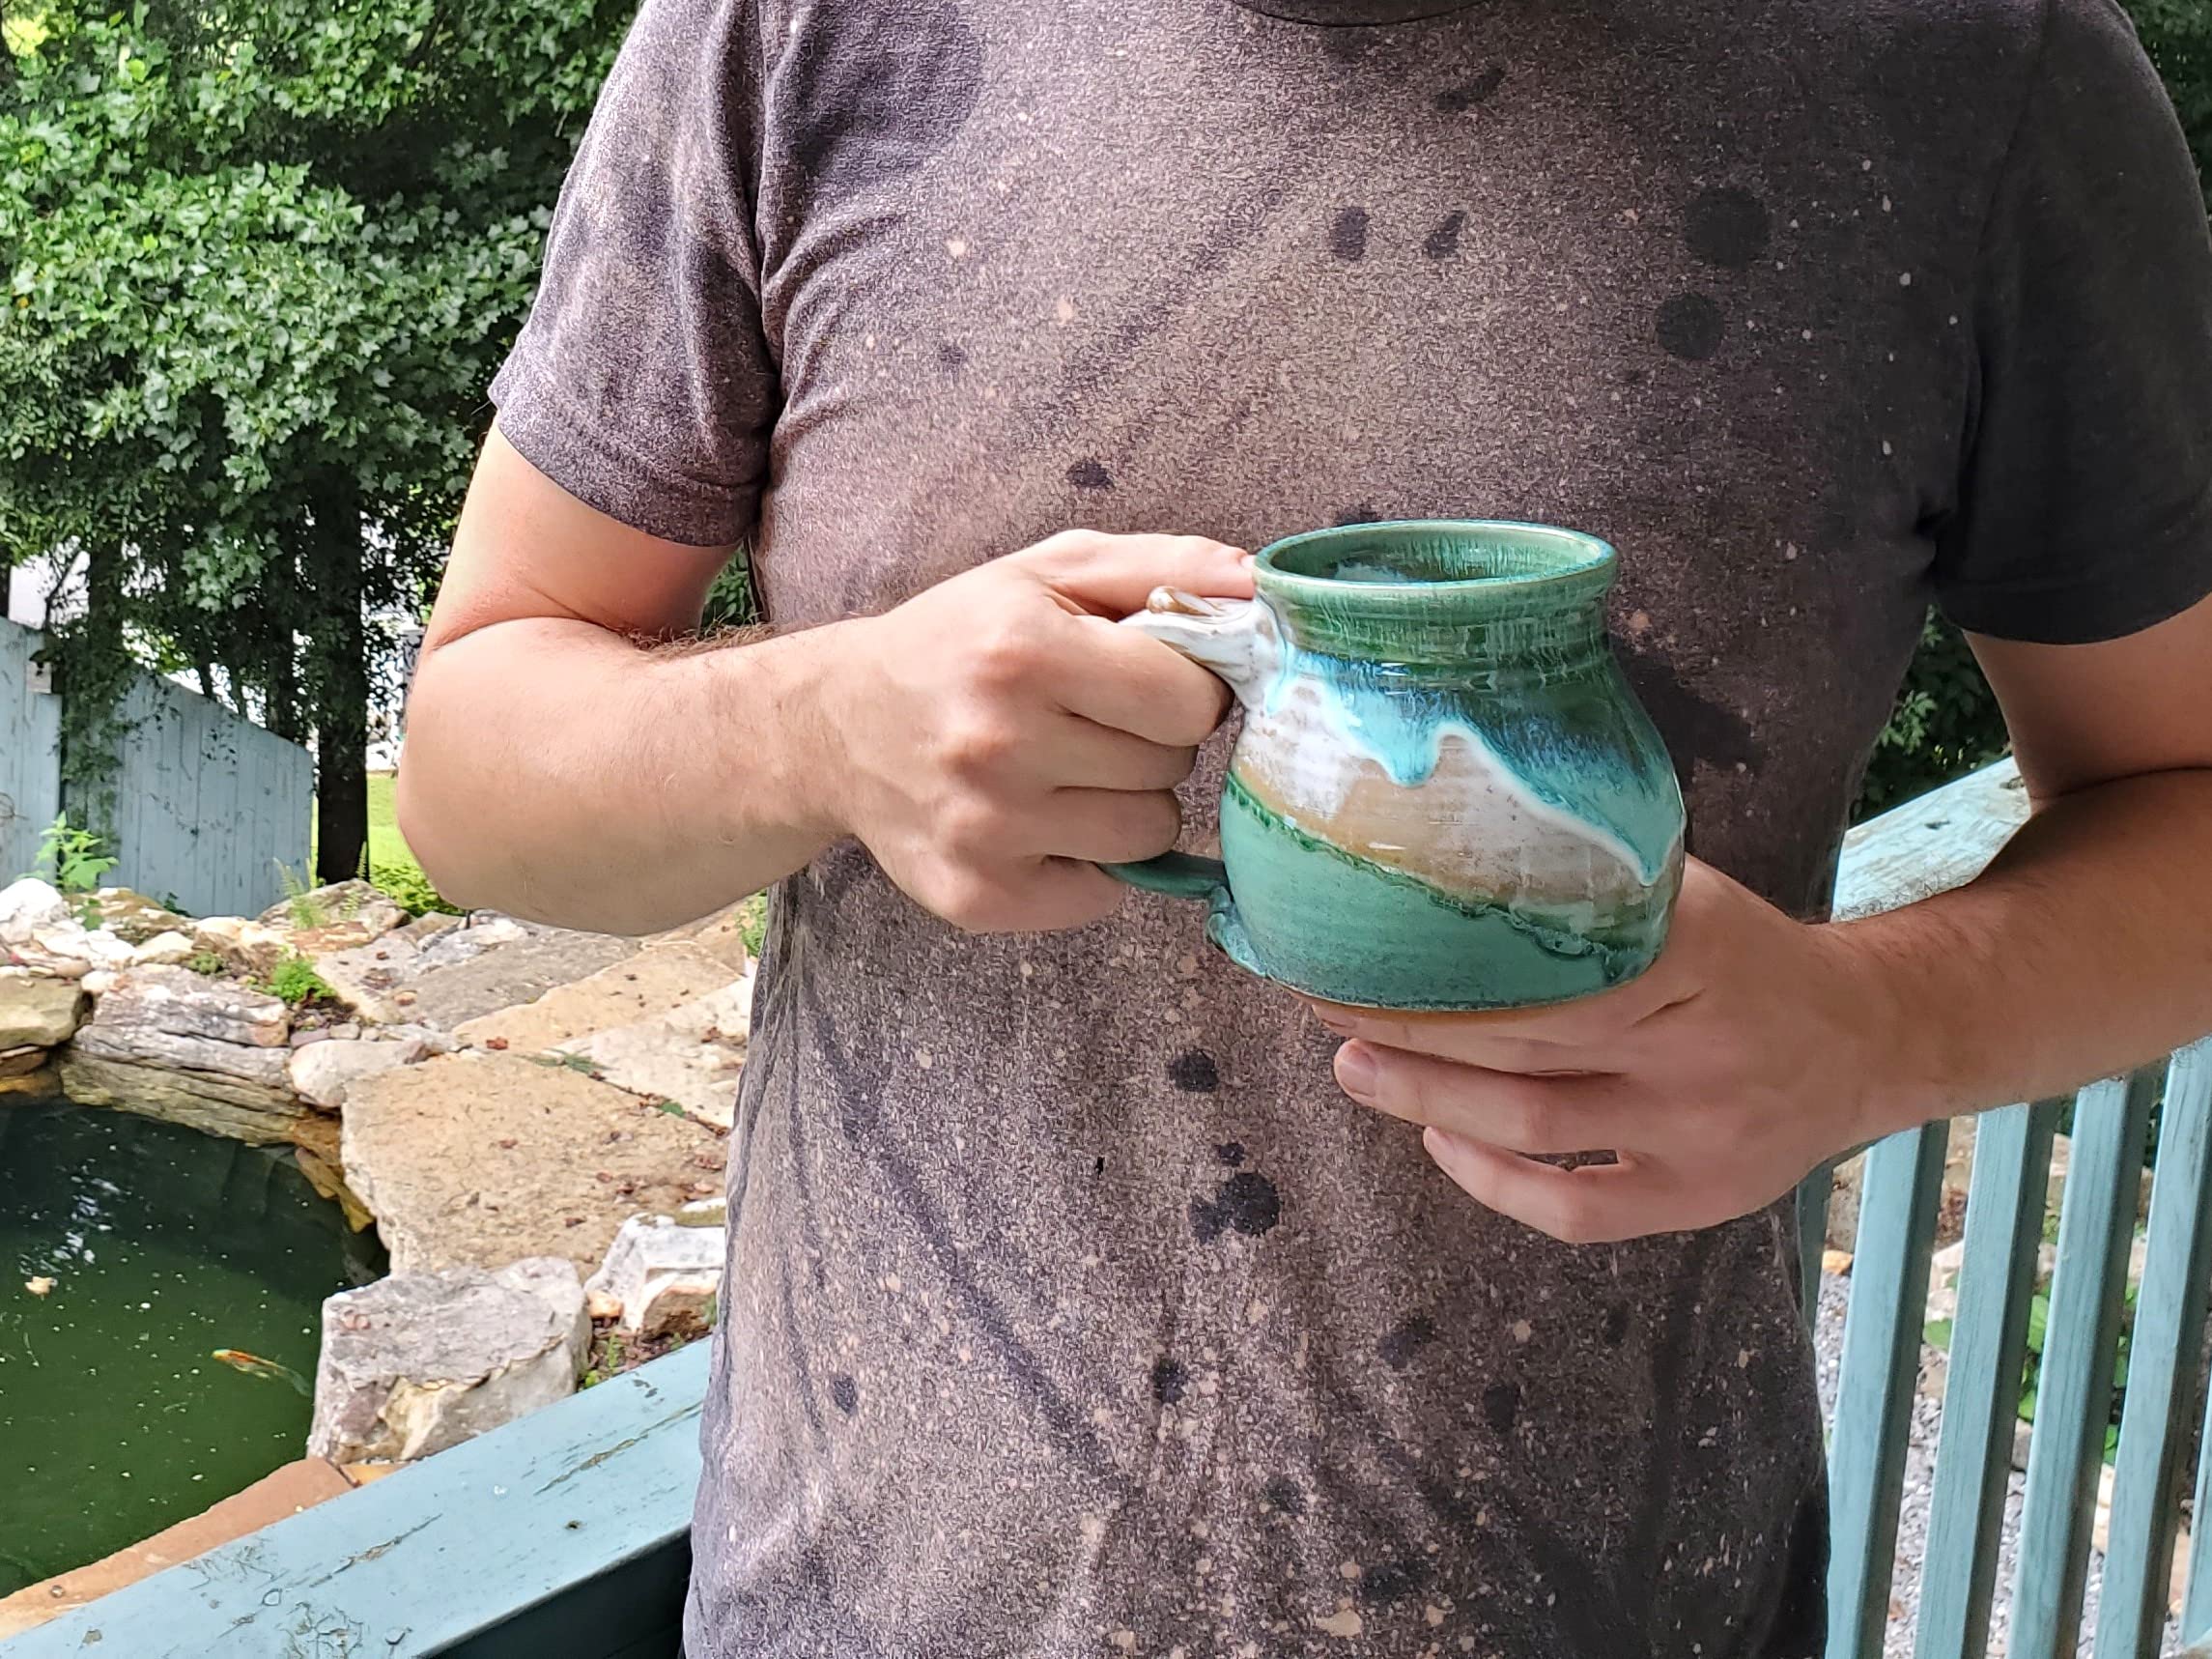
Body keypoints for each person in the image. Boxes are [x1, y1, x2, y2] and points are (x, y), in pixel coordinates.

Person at [395, 0, 2212, 1648]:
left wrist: (1879, 1028)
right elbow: (472, 772)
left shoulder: (1980, 71)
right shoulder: (781, 32)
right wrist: (823, 722)